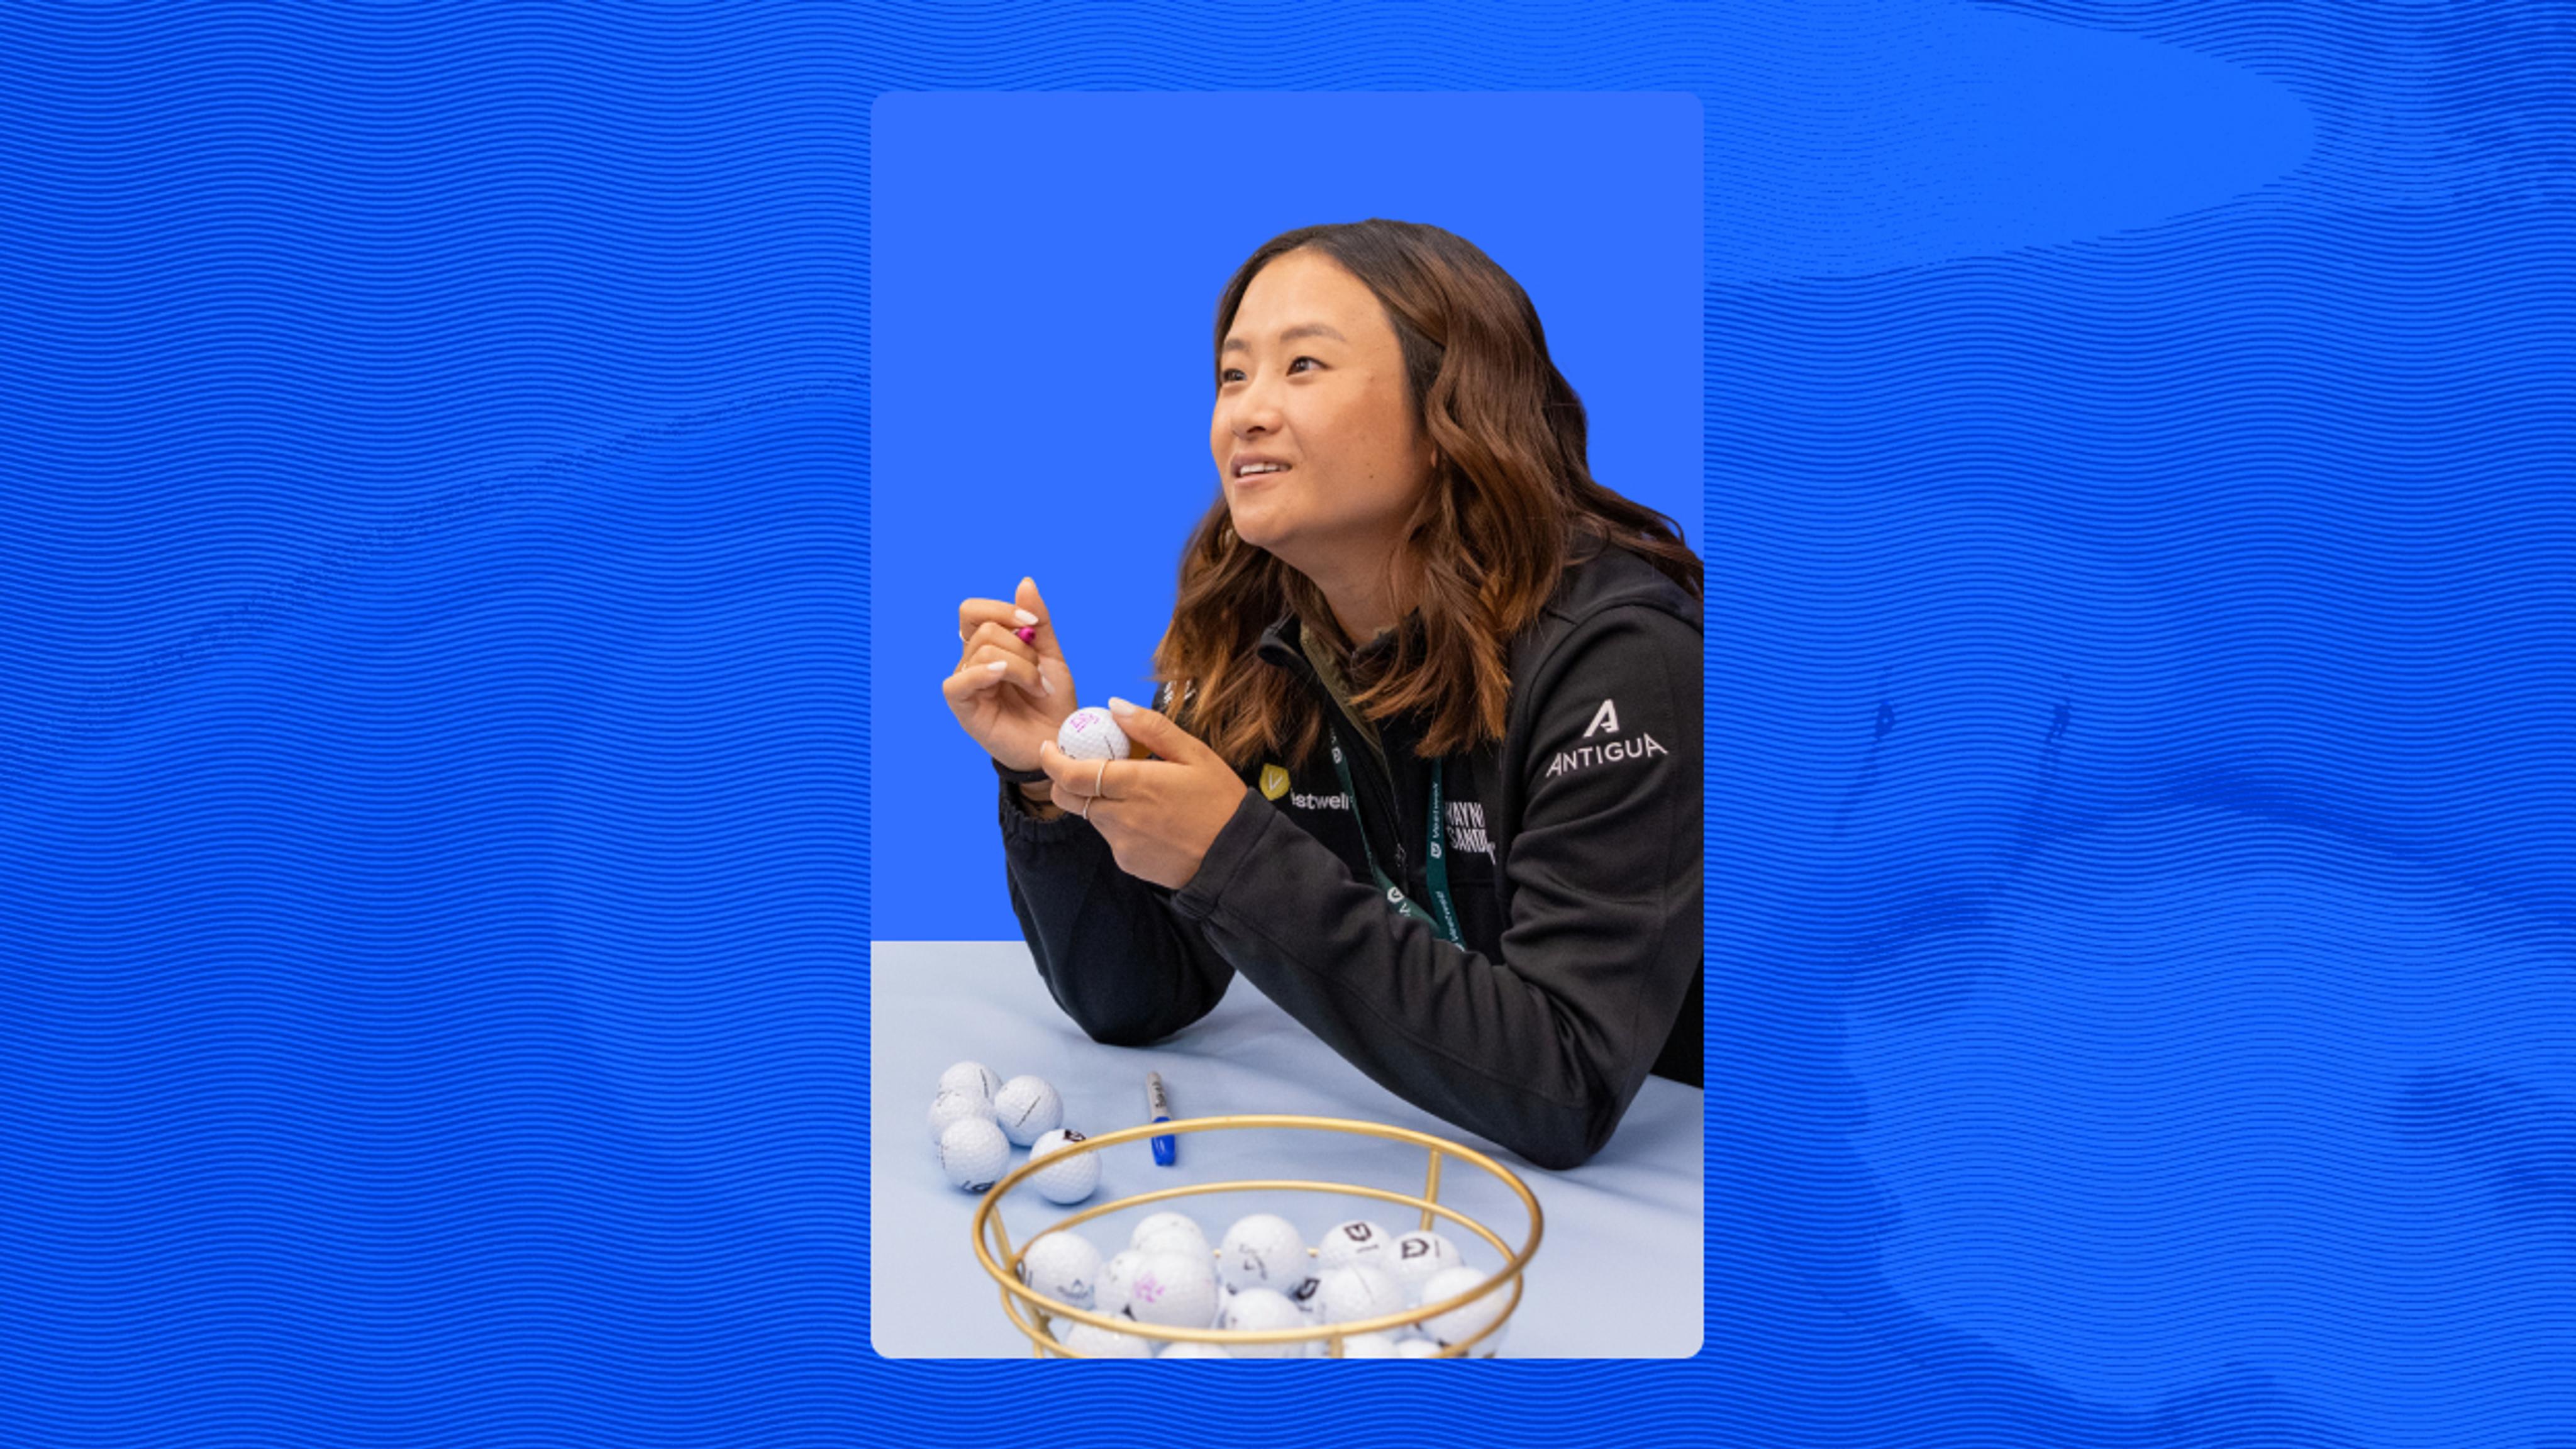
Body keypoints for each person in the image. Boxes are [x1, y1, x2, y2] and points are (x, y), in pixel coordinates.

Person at [941, 219, 1702, 1171]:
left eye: (1303, 367)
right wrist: (1050, 778)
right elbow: (1143, 995)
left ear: (1451, 409)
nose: (1246, 414)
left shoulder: (1625, 660)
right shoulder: (1268, 640)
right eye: (1232, 375)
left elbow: (1568, 1082)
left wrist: (1232, 853)